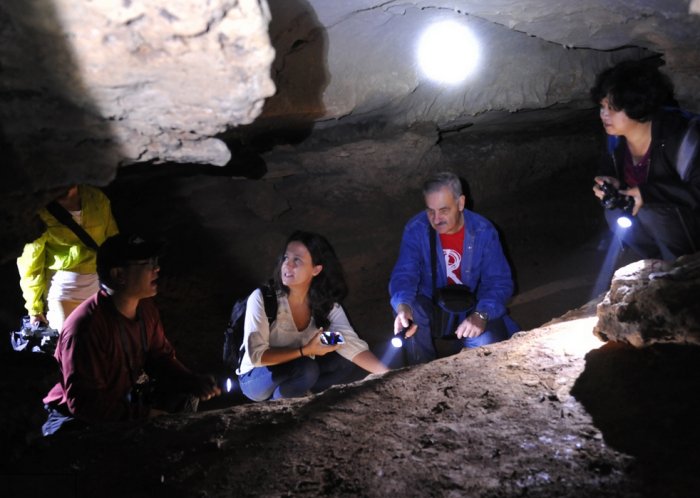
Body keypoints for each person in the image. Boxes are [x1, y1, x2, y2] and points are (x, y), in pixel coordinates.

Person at [42, 233, 220, 436]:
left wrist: (192, 381)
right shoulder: (86, 327)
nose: (157, 268)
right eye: (147, 263)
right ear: (119, 275)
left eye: (155, 261)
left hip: (118, 403)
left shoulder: (145, 309)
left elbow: (159, 357)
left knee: (184, 394)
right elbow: (85, 403)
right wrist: (146, 415)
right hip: (75, 420)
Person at [237, 231, 389, 401]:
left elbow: (348, 342)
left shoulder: (325, 304)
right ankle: (277, 409)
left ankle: (301, 394)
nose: (288, 265)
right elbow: (257, 356)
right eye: (286, 258)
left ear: (316, 269)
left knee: (342, 358)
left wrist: (388, 375)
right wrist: (306, 350)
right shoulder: (263, 298)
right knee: (306, 367)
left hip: (301, 364)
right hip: (256, 376)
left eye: (297, 260)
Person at [389, 171, 519, 365]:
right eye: (430, 211)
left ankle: (467, 364)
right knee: (409, 313)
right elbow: (404, 274)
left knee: (485, 349)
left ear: (460, 203)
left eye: (443, 210)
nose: (436, 218)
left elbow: (499, 282)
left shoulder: (483, 231)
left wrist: (482, 314)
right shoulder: (417, 229)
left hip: (474, 306)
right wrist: (403, 306)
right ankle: (422, 372)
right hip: (431, 305)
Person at [591, 59, 700, 261]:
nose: (604, 114)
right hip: (660, 229)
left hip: (690, 224)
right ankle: (656, 265)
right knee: (615, 212)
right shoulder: (615, 142)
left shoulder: (684, 136)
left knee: (653, 211)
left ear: (636, 106)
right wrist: (612, 184)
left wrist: (649, 193)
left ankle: (685, 270)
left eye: (613, 107)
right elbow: (610, 173)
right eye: (602, 106)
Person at [17, 184, 119, 332]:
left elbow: (113, 241)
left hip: (98, 291)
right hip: (63, 292)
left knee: (98, 348)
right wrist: (34, 308)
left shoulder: (96, 198)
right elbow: (31, 261)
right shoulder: (41, 209)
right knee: (69, 347)